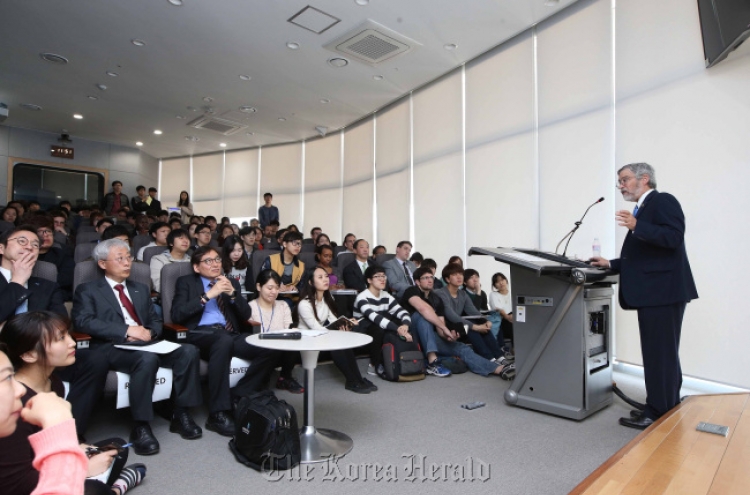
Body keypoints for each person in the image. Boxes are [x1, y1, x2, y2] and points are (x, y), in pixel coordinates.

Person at [590, 162, 698, 430]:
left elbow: (673, 237)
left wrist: (638, 225)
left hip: (662, 293)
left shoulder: (663, 201)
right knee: (660, 354)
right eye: (620, 181)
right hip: (656, 293)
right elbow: (643, 257)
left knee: (659, 354)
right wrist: (610, 264)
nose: (621, 185)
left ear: (645, 178)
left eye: (625, 179)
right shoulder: (644, 208)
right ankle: (664, 404)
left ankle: (659, 412)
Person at [72, 239, 204, 456]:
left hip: (146, 343)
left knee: (188, 351)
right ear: (103, 264)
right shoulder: (88, 290)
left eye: (129, 258)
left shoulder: (140, 289)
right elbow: (84, 321)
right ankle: (141, 425)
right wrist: (126, 330)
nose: (127, 263)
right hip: (112, 346)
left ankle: (180, 414)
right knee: (146, 360)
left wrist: (148, 333)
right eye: (120, 259)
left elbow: (154, 320)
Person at [0, 312, 147, 495]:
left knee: (115, 447)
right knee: (96, 490)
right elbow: (20, 484)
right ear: (29, 354)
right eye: (60, 339)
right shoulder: (14, 405)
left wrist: (76, 449)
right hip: (30, 483)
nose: (71, 342)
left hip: (46, 463)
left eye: (67, 335)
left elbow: (46, 443)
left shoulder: (54, 383)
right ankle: (116, 489)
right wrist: (82, 468)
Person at [0, 225, 109, 437]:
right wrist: (17, 283)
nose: (30, 247)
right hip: (5, 355)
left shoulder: (47, 285)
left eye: (34, 244)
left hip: (43, 352)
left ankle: (70, 432)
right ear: (2, 248)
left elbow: (59, 322)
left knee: (94, 359)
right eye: (22, 241)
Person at [171, 248, 283, 433]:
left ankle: (238, 395)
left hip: (228, 334)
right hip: (199, 334)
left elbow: (246, 314)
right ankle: (217, 413)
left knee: (269, 345)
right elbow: (177, 314)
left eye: (217, 259)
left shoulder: (230, 282)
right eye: (208, 261)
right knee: (223, 341)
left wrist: (233, 294)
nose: (215, 264)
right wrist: (209, 295)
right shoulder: (186, 282)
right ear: (197, 268)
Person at [0, 342, 88, 495]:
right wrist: (58, 429)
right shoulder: (22, 409)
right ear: (28, 354)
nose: (20, 389)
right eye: (7, 378)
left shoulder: (55, 383)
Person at [402, 267, 515, 380]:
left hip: (432, 337)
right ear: (417, 281)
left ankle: (497, 368)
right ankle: (432, 362)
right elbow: (423, 308)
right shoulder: (411, 291)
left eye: (431, 277)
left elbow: (440, 325)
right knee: (421, 316)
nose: (430, 280)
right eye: (425, 278)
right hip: (412, 336)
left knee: (462, 348)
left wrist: (447, 336)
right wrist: (444, 328)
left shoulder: (436, 299)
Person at [297, 267, 377, 393]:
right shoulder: (304, 304)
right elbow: (316, 328)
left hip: (322, 337)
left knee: (344, 342)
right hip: (307, 341)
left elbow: (334, 321)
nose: (325, 279)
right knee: (337, 345)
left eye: (326, 276)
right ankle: (351, 380)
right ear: (311, 282)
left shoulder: (327, 299)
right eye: (320, 277)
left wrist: (347, 323)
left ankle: (357, 378)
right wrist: (336, 331)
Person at [435, 263, 507, 363]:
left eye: (460, 274)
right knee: (470, 327)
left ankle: (499, 357)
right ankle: (490, 359)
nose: (459, 276)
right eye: (455, 274)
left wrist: (485, 321)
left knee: (479, 324)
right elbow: (451, 316)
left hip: (459, 325)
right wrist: (475, 327)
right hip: (447, 327)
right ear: (447, 279)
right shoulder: (440, 293)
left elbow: (473, 311)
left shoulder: (462, 294)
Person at [247, 270, 304, 393]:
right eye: (270, 288)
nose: (274, 292)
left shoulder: (283, 305)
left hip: (281, 349)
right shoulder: (250, 307)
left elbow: (287, 329)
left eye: (277, 288)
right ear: (258, 287)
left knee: (295, 338)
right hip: (261, 352)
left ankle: (285, 377)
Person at [353, 265, 413, 378]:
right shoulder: (362, 297)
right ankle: (374, 364)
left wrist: (405, 325)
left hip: (378, 325)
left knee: (400, 322)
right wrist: (398, 328)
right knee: (380, 327)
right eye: (377, 276)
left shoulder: (386, 296)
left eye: (383, 276)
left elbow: (403, 312)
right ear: (369, 280)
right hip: (362, 329)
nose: (382, 279)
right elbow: (374, 317)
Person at [260, 230, 307, 296]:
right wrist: (276, 286)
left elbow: (303, 286)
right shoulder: (270, 260)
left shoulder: (301, 265)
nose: (298, 246)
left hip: (292, 298)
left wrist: (296, 288)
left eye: (299, 244)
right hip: (272, 296)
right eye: (294, 243)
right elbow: (262, 280)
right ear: (284, 244)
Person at [150, 228, 191, 293]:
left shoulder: (191, 261)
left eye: (187, 238)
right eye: (181, 238)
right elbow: (157, 285)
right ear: (171, 243)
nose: (185, 241)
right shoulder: (158, 259)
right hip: (167, 296)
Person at [489, 272, 514, 356]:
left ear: (506, 281)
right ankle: (514, 348)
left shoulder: (514, 292)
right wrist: (507, 317)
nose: (501, 282)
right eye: (497, 281)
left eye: (502, 280)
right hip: (502, 323)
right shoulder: (493, 295)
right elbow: (498, 309)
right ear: (495, 285)